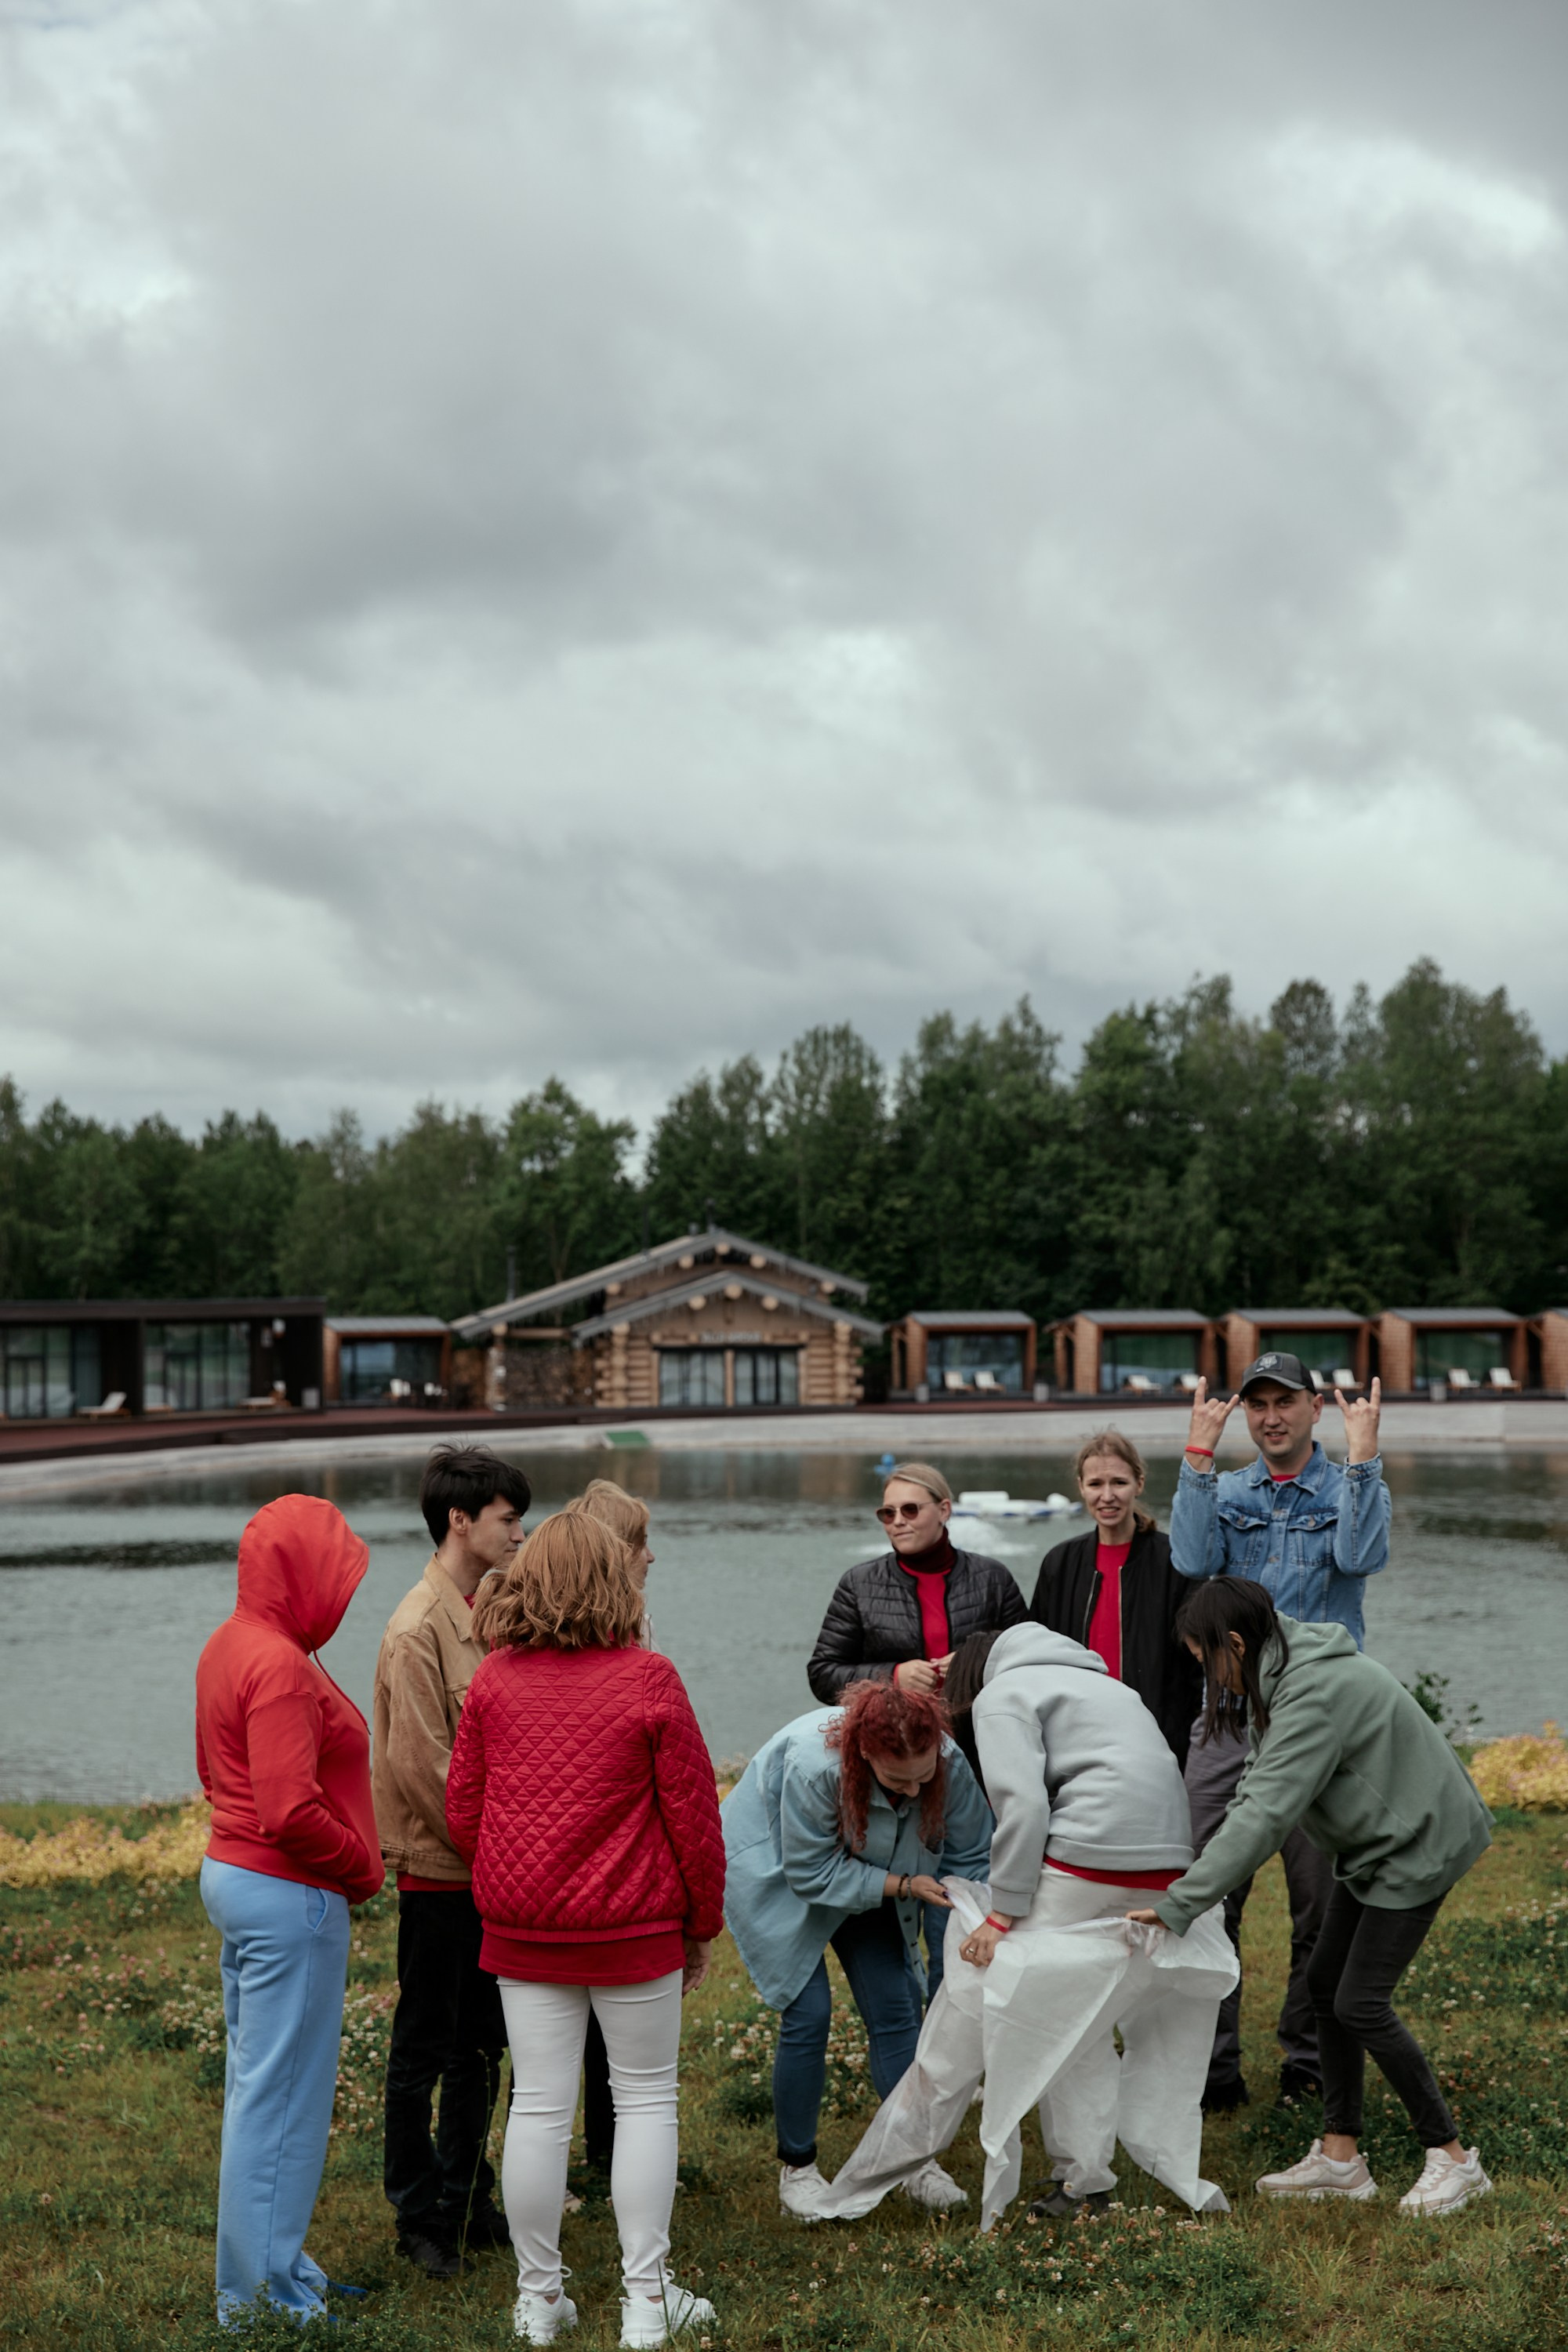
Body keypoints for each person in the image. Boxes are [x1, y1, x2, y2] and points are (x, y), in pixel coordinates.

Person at [812, 1627, 1234, 2232]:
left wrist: (1002, 1914)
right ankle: (1085, 2177)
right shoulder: (1110, 1686)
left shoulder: (1003, 1693)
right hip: (1167, 1865)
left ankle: (873, 2178)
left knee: (980, 2017)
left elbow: (1024, 1807)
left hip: (1089, 1858)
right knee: (1079, 2018)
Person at [446, 1510, 724, 2348]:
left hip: (525, 1927)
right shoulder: (650, 1677)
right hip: (633, 1925)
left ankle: (539, 2301)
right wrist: (700, 1925)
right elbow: (694, 1819)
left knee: (535, 2105)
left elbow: (464, 1812)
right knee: (644, 2101)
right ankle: (646, 2303)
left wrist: (517, 1873)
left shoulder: (494, 1678)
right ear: (612, 1579)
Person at [1128, 1578, 1494, 2215]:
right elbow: (1253, 1786)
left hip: (1418, 1844)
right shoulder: (1279, 1671)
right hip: (1376, 1846)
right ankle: (1341, 2158)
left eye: (1203, 1660)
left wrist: (1182, 1903)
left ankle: (1454, 2159)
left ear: (1234, 1644)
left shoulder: (1311, 1694)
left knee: (1361, 2002)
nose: (1207, 1677)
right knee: (1327, 1985)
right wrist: (1192, 1883)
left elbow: (1268, 1814)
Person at [1170, 1354, 1391, 2107]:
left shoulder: (1350, 1485)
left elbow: (1361, 1556)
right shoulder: (1225, 1491)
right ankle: (1210, 2069)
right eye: (1258, 1404)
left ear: (1314, 1409)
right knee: (1204, 1889)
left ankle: (1306, 2058)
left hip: (1319, 1722)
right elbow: (1193, 1559)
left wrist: (1364, 1460)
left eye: (1285, 1403)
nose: (1271, 1417)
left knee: (1321, 1906)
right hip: (1228, 1716)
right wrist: (1197, 1455)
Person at [195, 1495, 385, 2326]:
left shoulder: (232, 1643)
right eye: (332, 1572)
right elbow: (289, 1808)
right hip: (286, 1891)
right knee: (283, 2096)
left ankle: (271, 2266)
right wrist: (360, 1870)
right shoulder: (274, 1662)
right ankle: (257, 2299)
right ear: (297, 1572)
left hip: (242, 1878)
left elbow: (220, 1774)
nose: (340, 1593)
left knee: (258, 2088)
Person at [721, 1678, 994, 2222]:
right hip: (779, 1870)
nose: (915, 1793)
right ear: (865, 1753)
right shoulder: (812, 1767)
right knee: (809, 2014)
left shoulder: (944, 1757)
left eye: (924, 1780)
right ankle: (797, 2170)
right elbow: (811, 1872)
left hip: (880, 1867)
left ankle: (914, 2159)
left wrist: (957, 1948)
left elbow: (971, 1853)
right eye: (899, 1781)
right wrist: (901, 1885)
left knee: (896, 2008)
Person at [373, 1444, 532, 2277]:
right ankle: (417, 2213)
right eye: (509, 1518)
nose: (520, 1531)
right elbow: (424, 1769)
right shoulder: (415, 1628)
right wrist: (505, 1850)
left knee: (482, 2046)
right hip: (443, 1873)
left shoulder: (494, 1606)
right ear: (460, 1520)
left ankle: (469, 2196)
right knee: (423, 2048)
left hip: (489, 1871)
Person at [807, 1460, 1025, 1998]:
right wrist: (893, 1674)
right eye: (887, 1511)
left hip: (976, 1760)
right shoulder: (859, 1583)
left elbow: (1029, 1655)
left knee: (965, 1902)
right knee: (904, 1910)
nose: (897, 1521)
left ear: (944, 1511)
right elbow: (823, 1674)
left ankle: (964, 2016)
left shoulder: (992, 1577)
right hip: (896, 1774)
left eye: (910, 1509)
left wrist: (974, 1661)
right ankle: (912, 2031)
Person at [561, 1476, 659, 2180]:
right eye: (639, 1543)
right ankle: (585, 2162)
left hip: (594, 1869)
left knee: (597, 2039)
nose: (651, 1557)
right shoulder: (592, 1642)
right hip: (593, 1870)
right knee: (558, 2047)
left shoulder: (635, 1624)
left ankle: (606, 2154)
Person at [1028, 1429, 1200, 1762]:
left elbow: (1194, 1667)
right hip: (1078, 1736)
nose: (1107, 1496)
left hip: (1157, 1738)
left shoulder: (1175, 1561)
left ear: (1139, 1483)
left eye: (1119, 1483)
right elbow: (1039, 1656)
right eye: (1095, 1485)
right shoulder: (1060, 1563)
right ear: (1081, 1487)